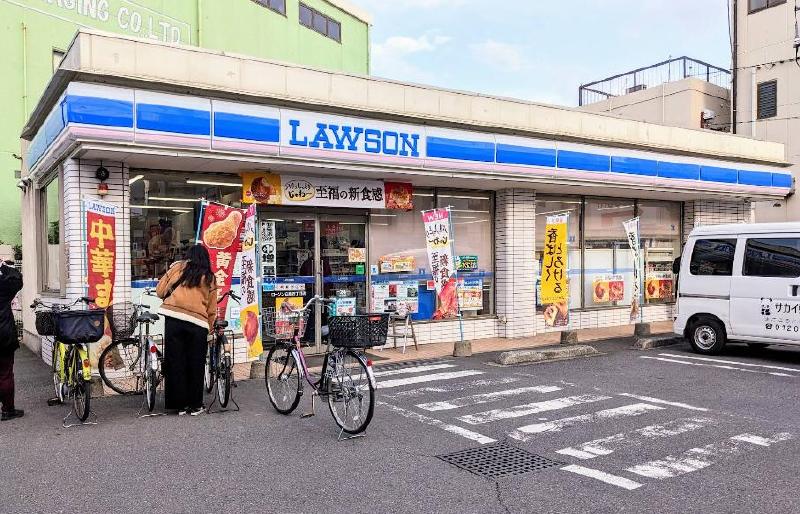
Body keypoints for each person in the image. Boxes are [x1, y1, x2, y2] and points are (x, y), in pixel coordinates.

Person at [156, 245, 217, 416]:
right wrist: (210, 329)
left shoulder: (177, 269)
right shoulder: (210, 278)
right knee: (196, 363)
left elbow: (159, 291)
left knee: (175, 361)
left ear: (188, 256)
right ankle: (195, 405)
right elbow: (212, 308)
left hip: (174, 319)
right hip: (198, 323)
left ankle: (179, 405)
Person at [0, 261, 23, 421]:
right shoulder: (3, 286)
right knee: (5, 373)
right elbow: (17, 278)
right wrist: (3, 266)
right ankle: (8, 410)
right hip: (3, 335)